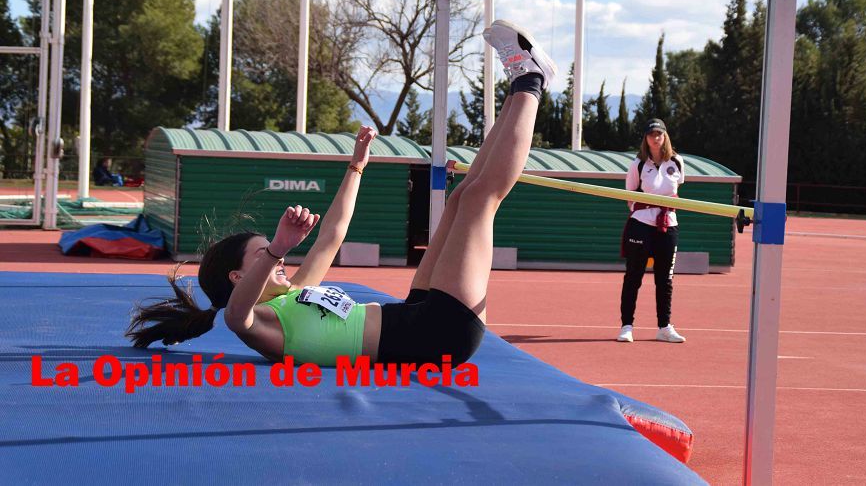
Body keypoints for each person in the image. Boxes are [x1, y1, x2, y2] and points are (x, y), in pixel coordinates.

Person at [126, 19, 557, 367]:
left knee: (464, 197)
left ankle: (519, 86)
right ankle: (531, 81)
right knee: (482, 201)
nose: (276, 261)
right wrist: (276, 248)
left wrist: (357, 167)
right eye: (260, 256)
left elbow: (332, 234)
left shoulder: (295, 291)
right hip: (440, 334)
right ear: (237, 278)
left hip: (416, 312)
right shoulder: (260, 325)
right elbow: (236, 313)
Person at [616, 118, 686, 344]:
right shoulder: (638, 163)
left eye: (659, 134)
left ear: (665, 136)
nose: (655, 138)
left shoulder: (677, 162)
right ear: (645, 138)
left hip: (669, 225)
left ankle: (664, 327)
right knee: (633, 276)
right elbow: (630, 194)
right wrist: (646, 212)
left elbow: (678, 188)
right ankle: (627, 326)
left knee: (665, 279)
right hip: (641, 225)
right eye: (651, 134)